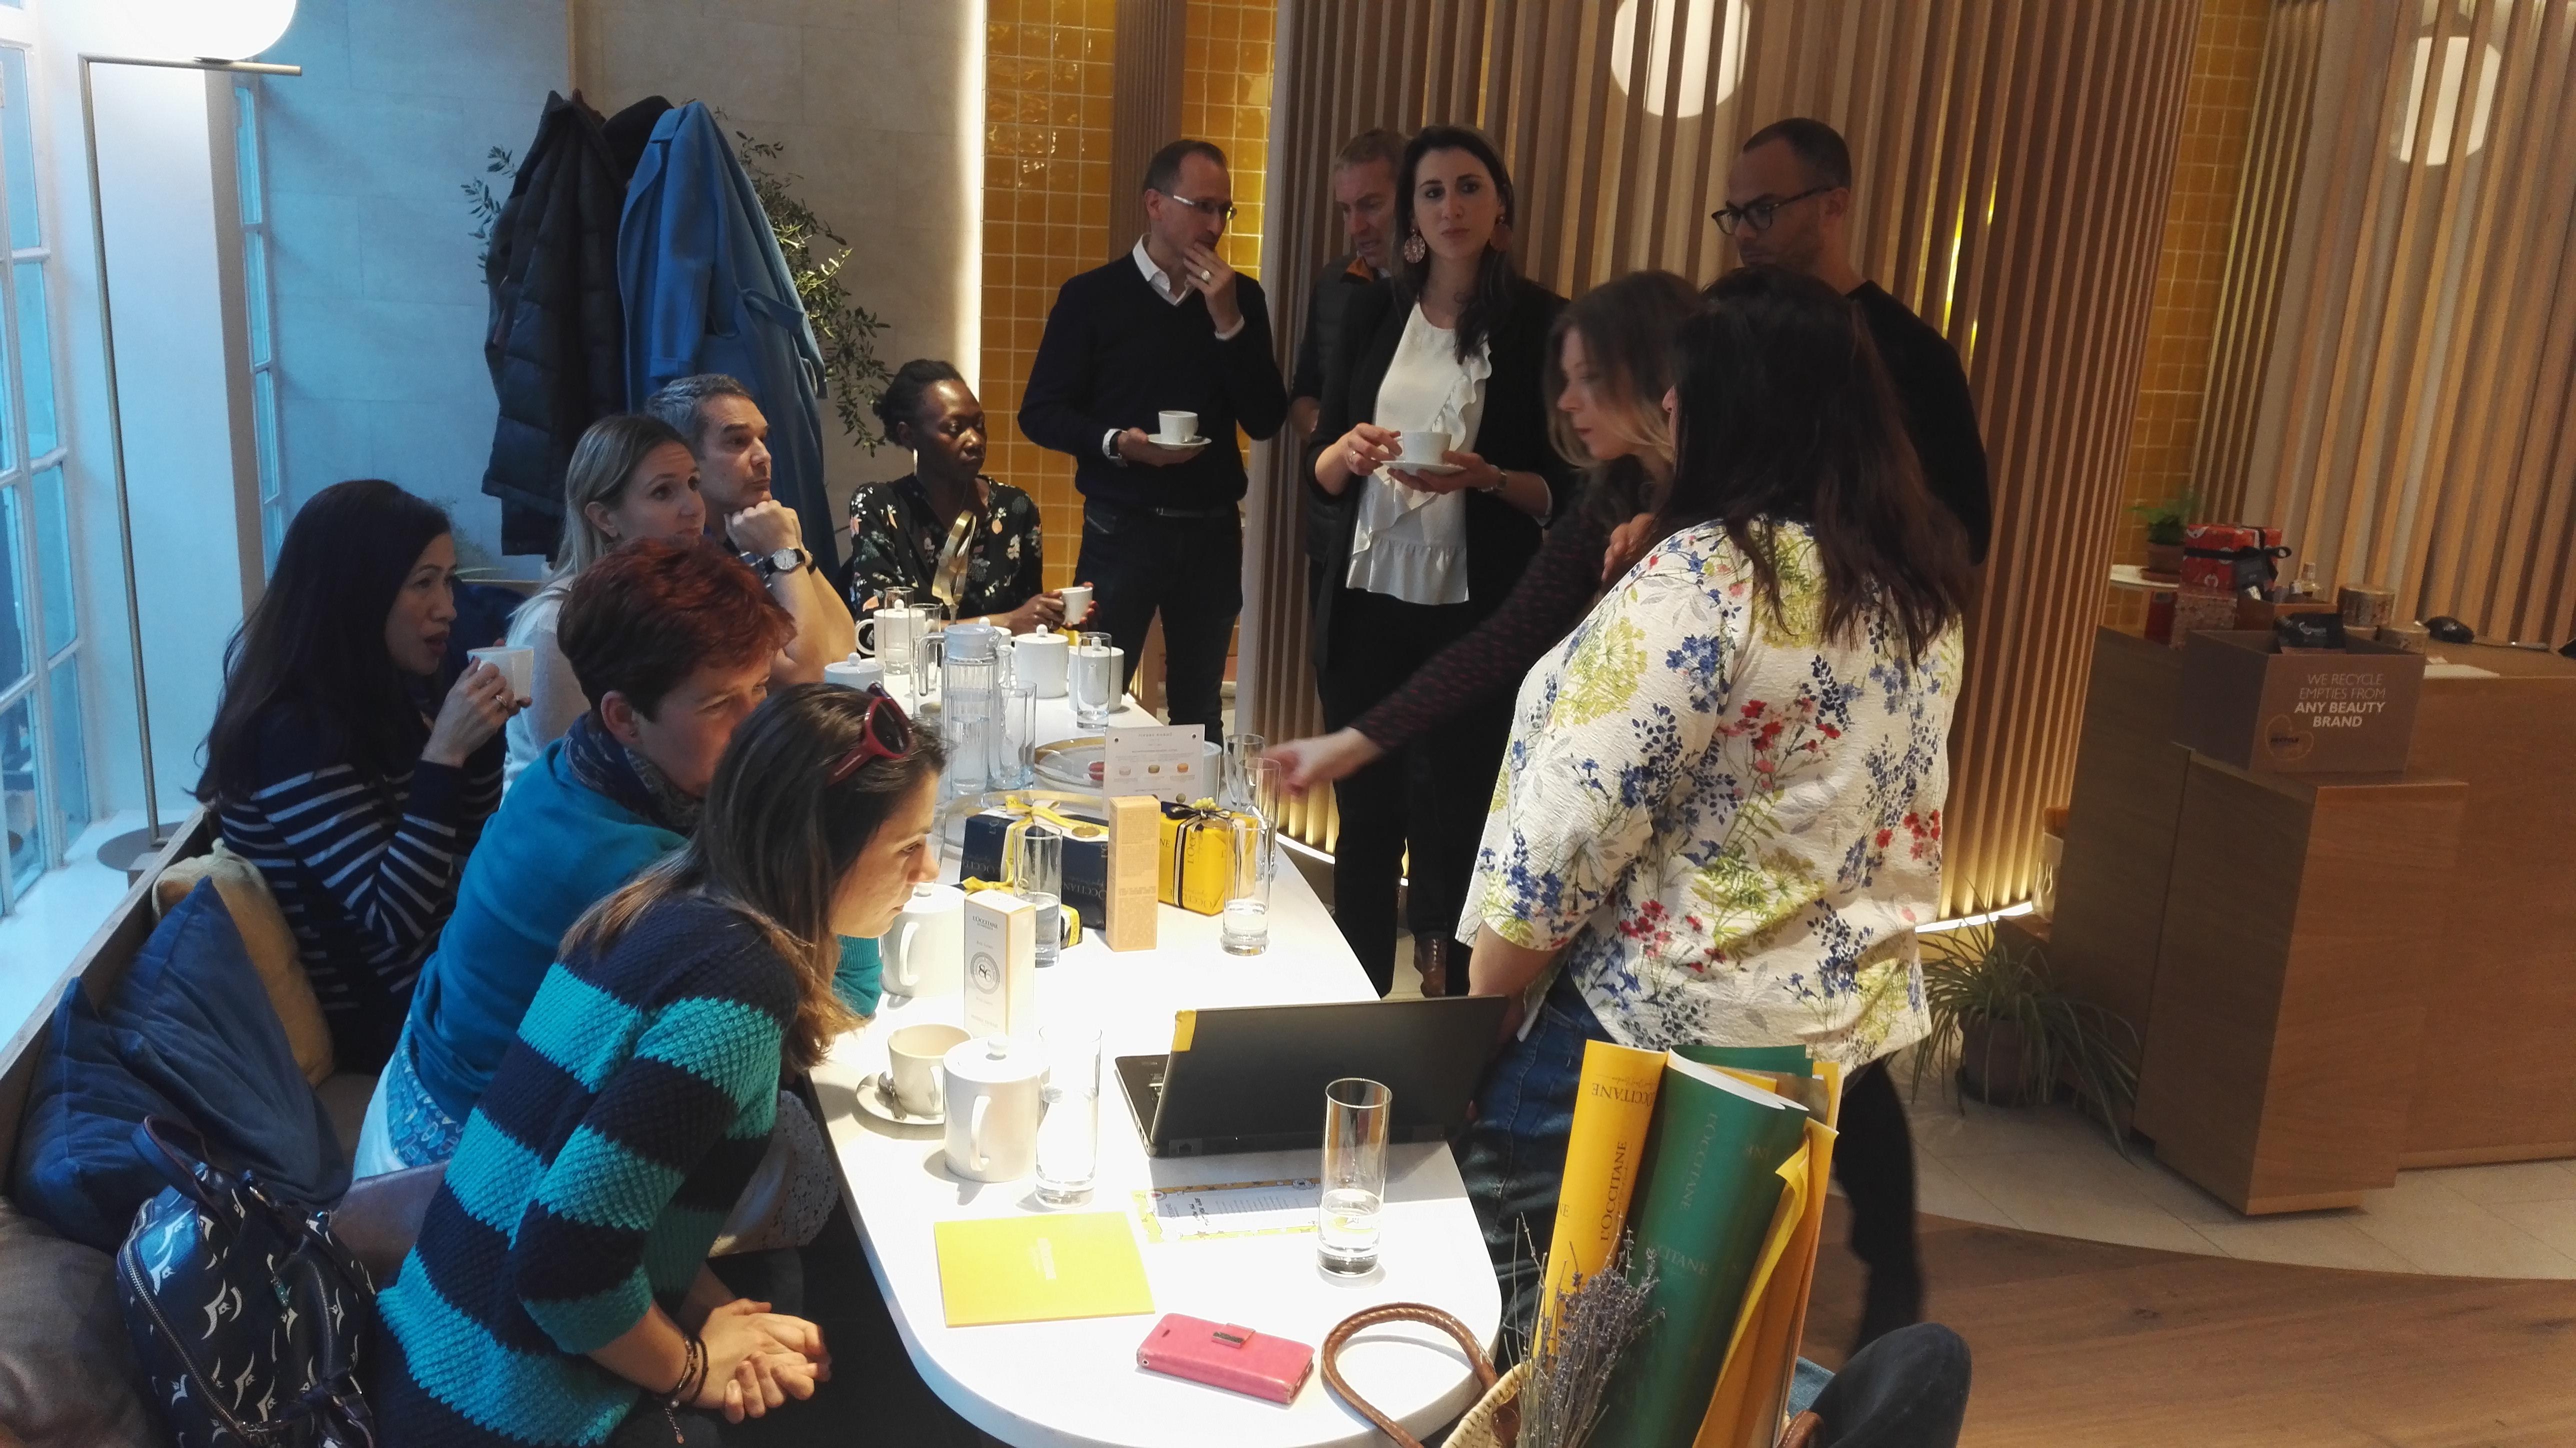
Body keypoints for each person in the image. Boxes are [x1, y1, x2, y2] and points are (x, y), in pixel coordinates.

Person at [1456, 268, 1972, 1352]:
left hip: (1636, 1038)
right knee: (1691, 1345)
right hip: (1807, 1054)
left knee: (1518, 1330)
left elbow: (1569, 836)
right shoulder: (1916, 597)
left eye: (1687, 385)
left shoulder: (1702, 582)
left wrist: (1479, 1015)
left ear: (1740, 406)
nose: (1668, 403)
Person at [375, 682, 945, 1448]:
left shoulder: (664, 902)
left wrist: (705, 1306)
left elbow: (611, 1199)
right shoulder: (741, 992)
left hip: (430, 1345)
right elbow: (564, 1267)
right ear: (818, 853)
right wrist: (692, 1368)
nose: (928, 870)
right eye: (908, 847)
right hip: (496, 1410)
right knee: (873, 1387)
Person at [1267, 271, 1702, 986]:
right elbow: (1503, 642)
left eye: (1590, 379)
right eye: (1566, 380)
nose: (1567, 401)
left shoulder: (1724, 520)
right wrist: (1351, 743)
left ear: (1658, 375)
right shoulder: (1613, 495)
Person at [360, 537, 796, 1174]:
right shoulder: (635, 874)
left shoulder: (576, 760)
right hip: (464, 1165)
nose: (753, 723)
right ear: (624, 717)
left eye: (759, 688)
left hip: (420, 1079)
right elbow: (806, 1018)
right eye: (717, 703)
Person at [1303, 125, 1573, 998]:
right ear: (1412, 219)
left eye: (1468, 188)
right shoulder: (1371, 312)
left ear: (1499, 208)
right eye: (1431, 192)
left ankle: (1447, 1010)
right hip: (1366, 602)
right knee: (1366, 822)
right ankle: (1351, 1002)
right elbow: (1320, 466)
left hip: (1476, 616)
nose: (1450, 207)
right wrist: (1344, 454)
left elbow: (1566, 490)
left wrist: (1487, 478)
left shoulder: (1543, 324)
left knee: (1459, 822)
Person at [196, 480, 520, 1072]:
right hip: (388, 1016)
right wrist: (445, 753)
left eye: (448, 580)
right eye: (423, 583)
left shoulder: (393, 683)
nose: (448, 607)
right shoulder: (288, 731)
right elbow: (395, 917)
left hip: (443, 972)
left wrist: (483, 737)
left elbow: (466, 847)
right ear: (356, 593)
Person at [1018, 138, 1290, 736]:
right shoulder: (1092, 297)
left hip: (1212, 529)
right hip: (1121, 527)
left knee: (1199, 712)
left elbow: (1266, 418)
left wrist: (1228, 322)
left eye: (1225, 210)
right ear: (1155, 204)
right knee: (1095, 700)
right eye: (1202, 206)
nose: (1215, 225)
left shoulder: (1241, 298)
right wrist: (1118, 442)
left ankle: (1193, 802)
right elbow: (1039, 412)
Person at [1715, 117, 1990, 563]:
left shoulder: (1911, 354)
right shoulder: (1734, 334)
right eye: (1736, 214)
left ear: (1832, 207)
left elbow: (1964, 535)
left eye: (1764, 210)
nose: (1744, 233)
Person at [502, 413, 708, 787]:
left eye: (694, 484)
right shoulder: (553, 625)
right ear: (604, 518)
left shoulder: (686, 596)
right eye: (663, 492)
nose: (693, 508)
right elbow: (578, 775)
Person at [644, 373, 858, 681]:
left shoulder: (752, 531)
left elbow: (844, 655)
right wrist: (784, 550)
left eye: (763, 439)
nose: (764, 456)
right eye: (738, 441)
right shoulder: (680, 561)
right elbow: (802, 678)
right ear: (684, 457)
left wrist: (795, 550)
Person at [846, 359, 1068, 632]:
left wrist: (1054, 613)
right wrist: (1005, 623)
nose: (975, 440)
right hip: (908, 663)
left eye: (979, 425)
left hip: (1000, 663)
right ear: (908, 435)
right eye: (955, 428)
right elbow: (877, 629)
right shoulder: (879, 507)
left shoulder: (1016, 508)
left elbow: (1028, 628)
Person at [1287, 128, 1407, 441]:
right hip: (1342, 466)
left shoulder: (1443, 293)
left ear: (1412, 199)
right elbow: (1305, 392)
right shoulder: (1334, 282)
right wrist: (1322, 427)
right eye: (1346, 210)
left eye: (1371, 205)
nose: (1355, 227)